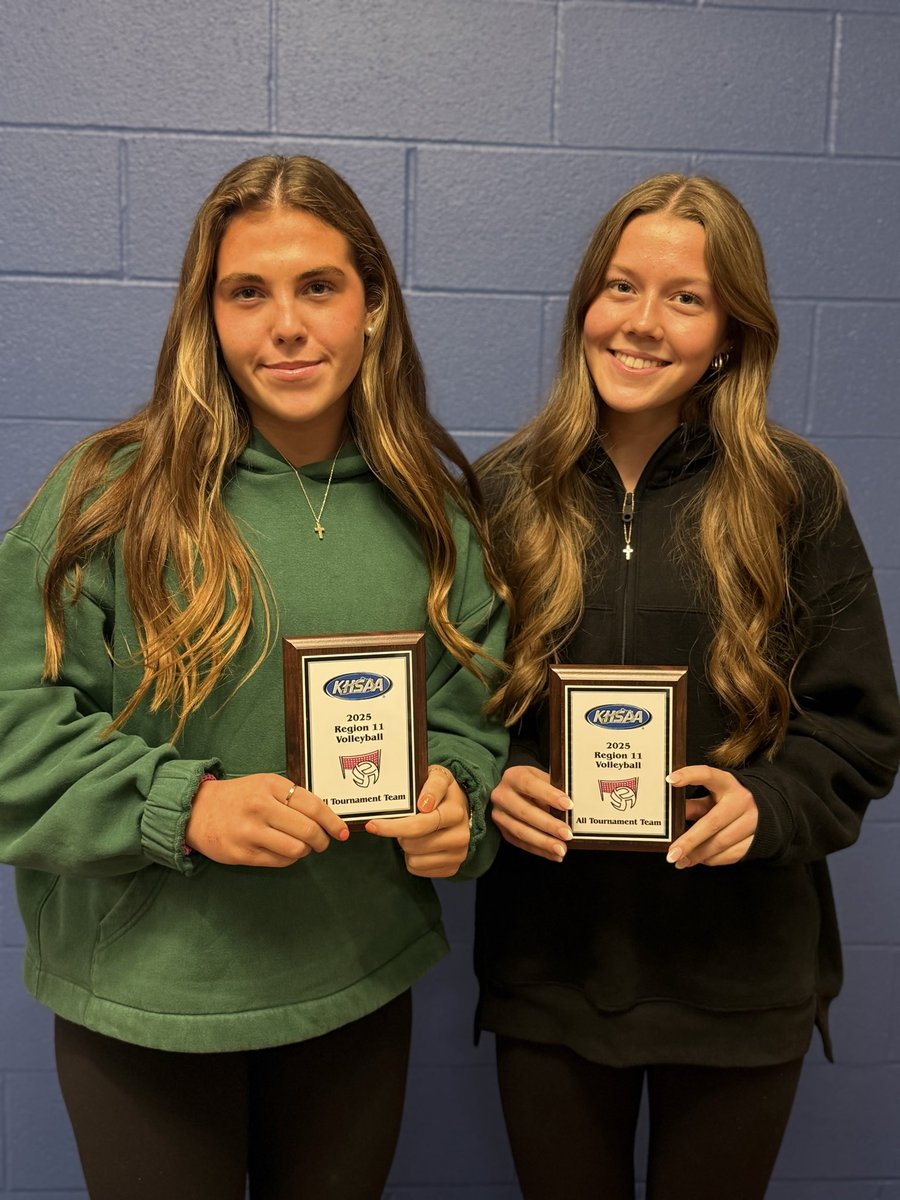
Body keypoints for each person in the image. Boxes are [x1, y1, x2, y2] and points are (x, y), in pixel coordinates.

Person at [0, 154, 508, 1200]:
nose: (287, 326)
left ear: (372, 308)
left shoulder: (438, 516)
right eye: (249, 292)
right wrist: (182, 808)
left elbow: (474, 723)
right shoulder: (106, 497)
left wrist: (462, 799)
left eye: (319, 286)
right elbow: (11, 725)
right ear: (208, 316)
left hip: (356, 995)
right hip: (145, 1008)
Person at [473, 174, 899, 1200]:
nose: (643, 323)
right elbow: (454, 709)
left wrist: (770, 801)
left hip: (739, 980)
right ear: (585, 305)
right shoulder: (499, 494)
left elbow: (859, 730)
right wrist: (499, 772)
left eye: (686, 298)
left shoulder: (795, 495)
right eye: (621, 287)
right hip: (551, 973)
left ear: (732, 334)